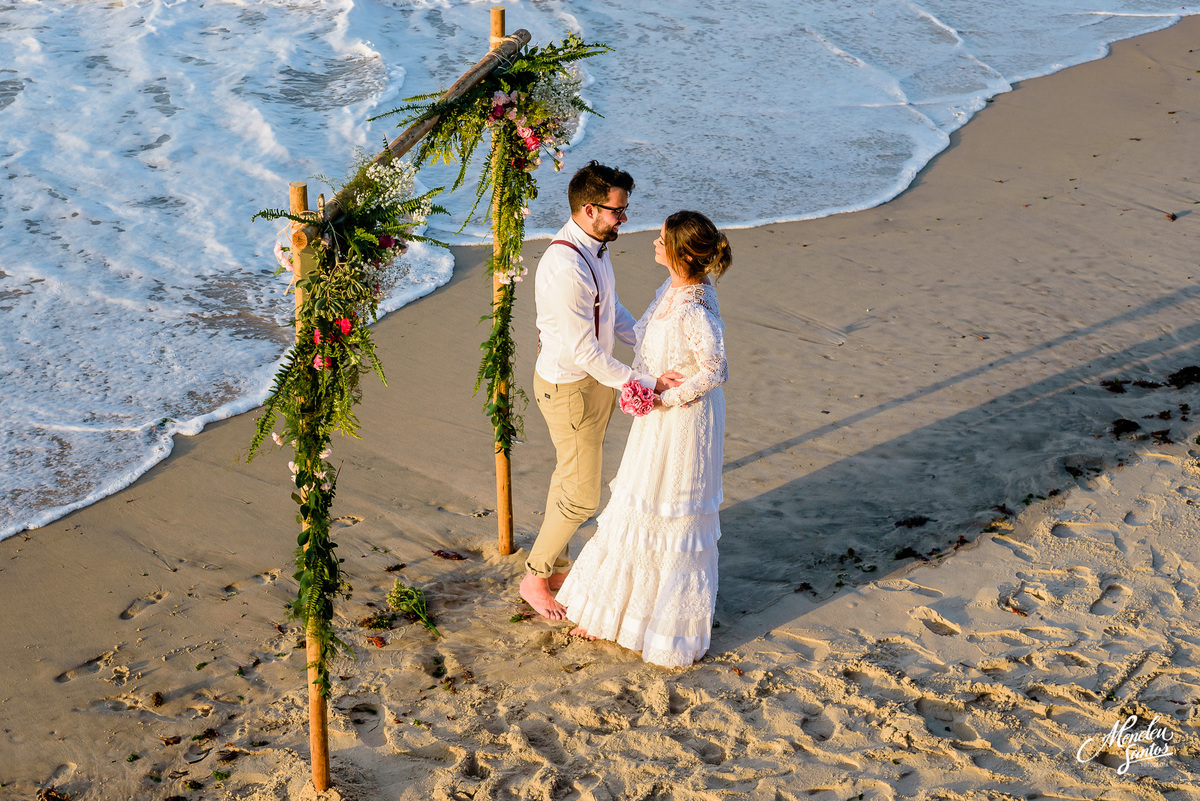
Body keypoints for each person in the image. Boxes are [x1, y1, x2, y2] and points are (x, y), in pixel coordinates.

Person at [556, 210, 731, 668]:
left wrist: (666, 397)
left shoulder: (694, 306)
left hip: (684, 420)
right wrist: (639, 378)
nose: (654, 242)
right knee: (637, 500)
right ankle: (614, 614)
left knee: (670, 508)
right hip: (659, 412)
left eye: (661, 238)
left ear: (678, 252)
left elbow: (716, 370)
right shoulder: (672, 289)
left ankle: (663, 625)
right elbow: (646, 337)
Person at [520, 162, 682, 620]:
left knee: (567, 480)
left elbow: (610, 311)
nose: (623, 219)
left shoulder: (595, 247)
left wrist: (648, 339)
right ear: (589, 209)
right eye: (617, 211)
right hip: (570, 388)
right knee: (582, 496)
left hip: (594, 385)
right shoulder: (565, 265)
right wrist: (647, 381)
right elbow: (584, 353)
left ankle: (553, 567)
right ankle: (533, 577)